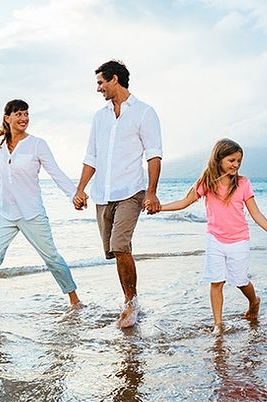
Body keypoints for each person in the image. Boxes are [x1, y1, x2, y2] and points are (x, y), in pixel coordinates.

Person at [159, 138, 267, 332]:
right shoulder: (207, 183)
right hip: (215, 239)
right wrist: (159, 208)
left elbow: (256, 214)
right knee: (216, 281)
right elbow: (184, 202)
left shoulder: (243, 183)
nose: (236, 164)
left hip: (239, 240)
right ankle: (218, 324)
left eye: (239, 161)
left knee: (240, 281)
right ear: (218, 159)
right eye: (232, 160)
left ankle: (254, 301)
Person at [72, 60, 162, 328]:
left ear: (114, 79)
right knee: (114, 251)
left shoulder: (145, 112)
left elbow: (154, 154)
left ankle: (131, 303)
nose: (98, 88)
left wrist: (152, 193)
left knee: (120, 245)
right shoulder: (99, 117)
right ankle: (129, 297)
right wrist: (80, 189)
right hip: (102, 194)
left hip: (131, 191)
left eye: (100, 82)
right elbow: (92, 156)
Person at [0, 99, 81, 315]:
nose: (24, 118)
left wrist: (74, 194)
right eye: (18, 114)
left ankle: (74, 300)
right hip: (5, 214)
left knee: (52, 258)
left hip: (31, 213)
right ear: (7, 118)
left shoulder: (37, 144)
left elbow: (55, 171)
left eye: (26, 114)